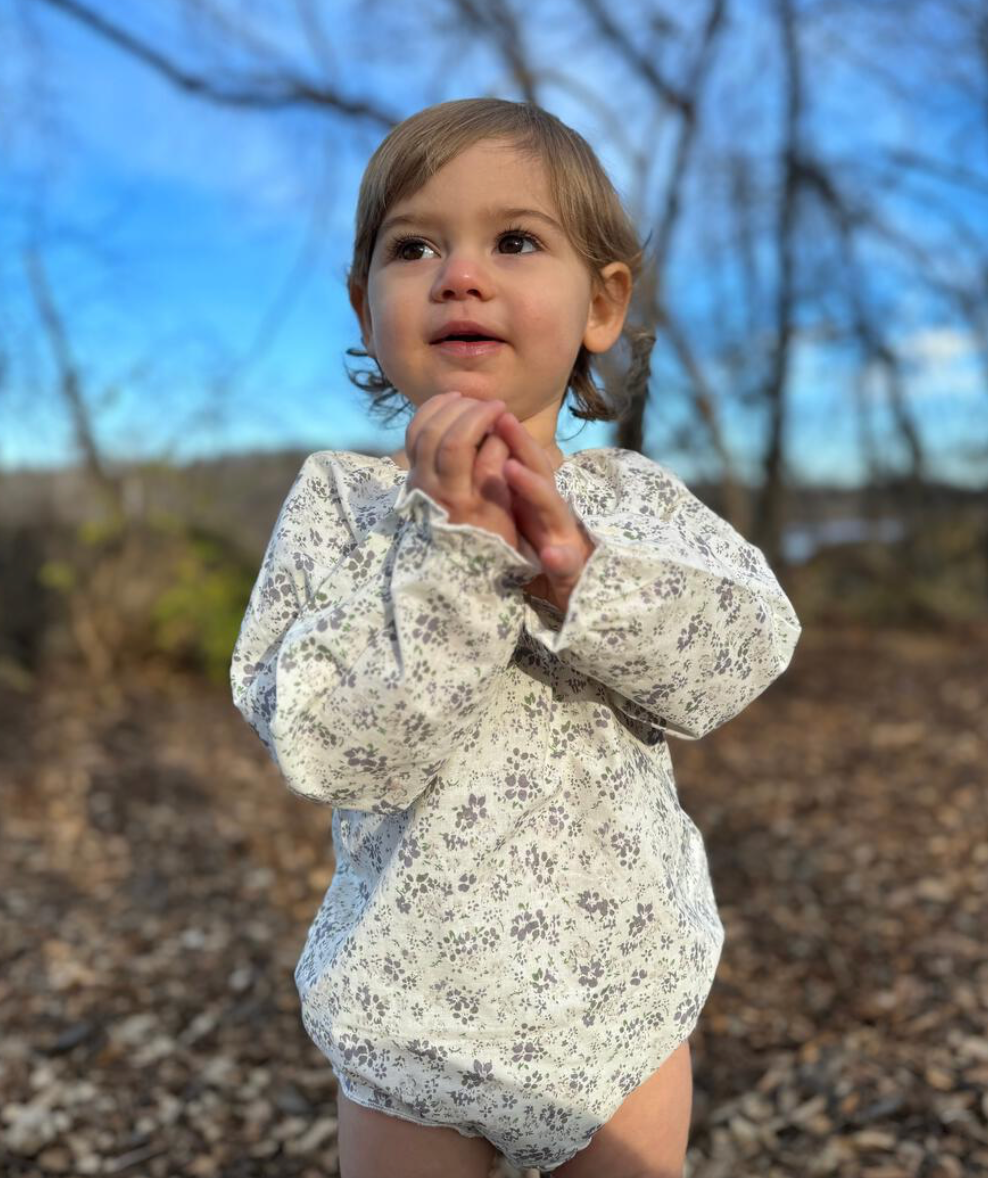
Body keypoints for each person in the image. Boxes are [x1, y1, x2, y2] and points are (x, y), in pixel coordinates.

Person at [229, 97, 802, 1178]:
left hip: (619, 996)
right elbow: (330, 745)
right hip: (412, 1007)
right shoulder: (337, 510)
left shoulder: (633, 502)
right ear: (365, 307)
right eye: (414, 246)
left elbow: (742, 651)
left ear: (601, 300)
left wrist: (577, 575)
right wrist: (453, 557)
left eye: (516, 240)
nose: (459, 274)